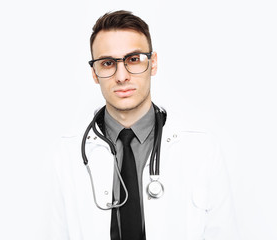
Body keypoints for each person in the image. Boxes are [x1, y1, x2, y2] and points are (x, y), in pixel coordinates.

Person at [50, 10, 238, 240]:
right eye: (108, 63)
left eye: (133, 59)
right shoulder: (68, 153)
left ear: (154, 63)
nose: (121, 76)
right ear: (95, 73)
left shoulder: (201, 149)